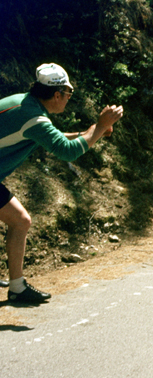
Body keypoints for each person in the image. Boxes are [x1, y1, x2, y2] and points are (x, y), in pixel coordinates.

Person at [0, 63, 123, 303]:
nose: (69, 99)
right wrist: (97, 128)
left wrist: (89, 132)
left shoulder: (24, 103)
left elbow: (50, 137)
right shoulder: (33, 118)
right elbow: (66, 152)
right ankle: (17, 288)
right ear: (57, 94)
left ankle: (17, 287)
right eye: (68, 94)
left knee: (20, 220)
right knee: (20, 220)